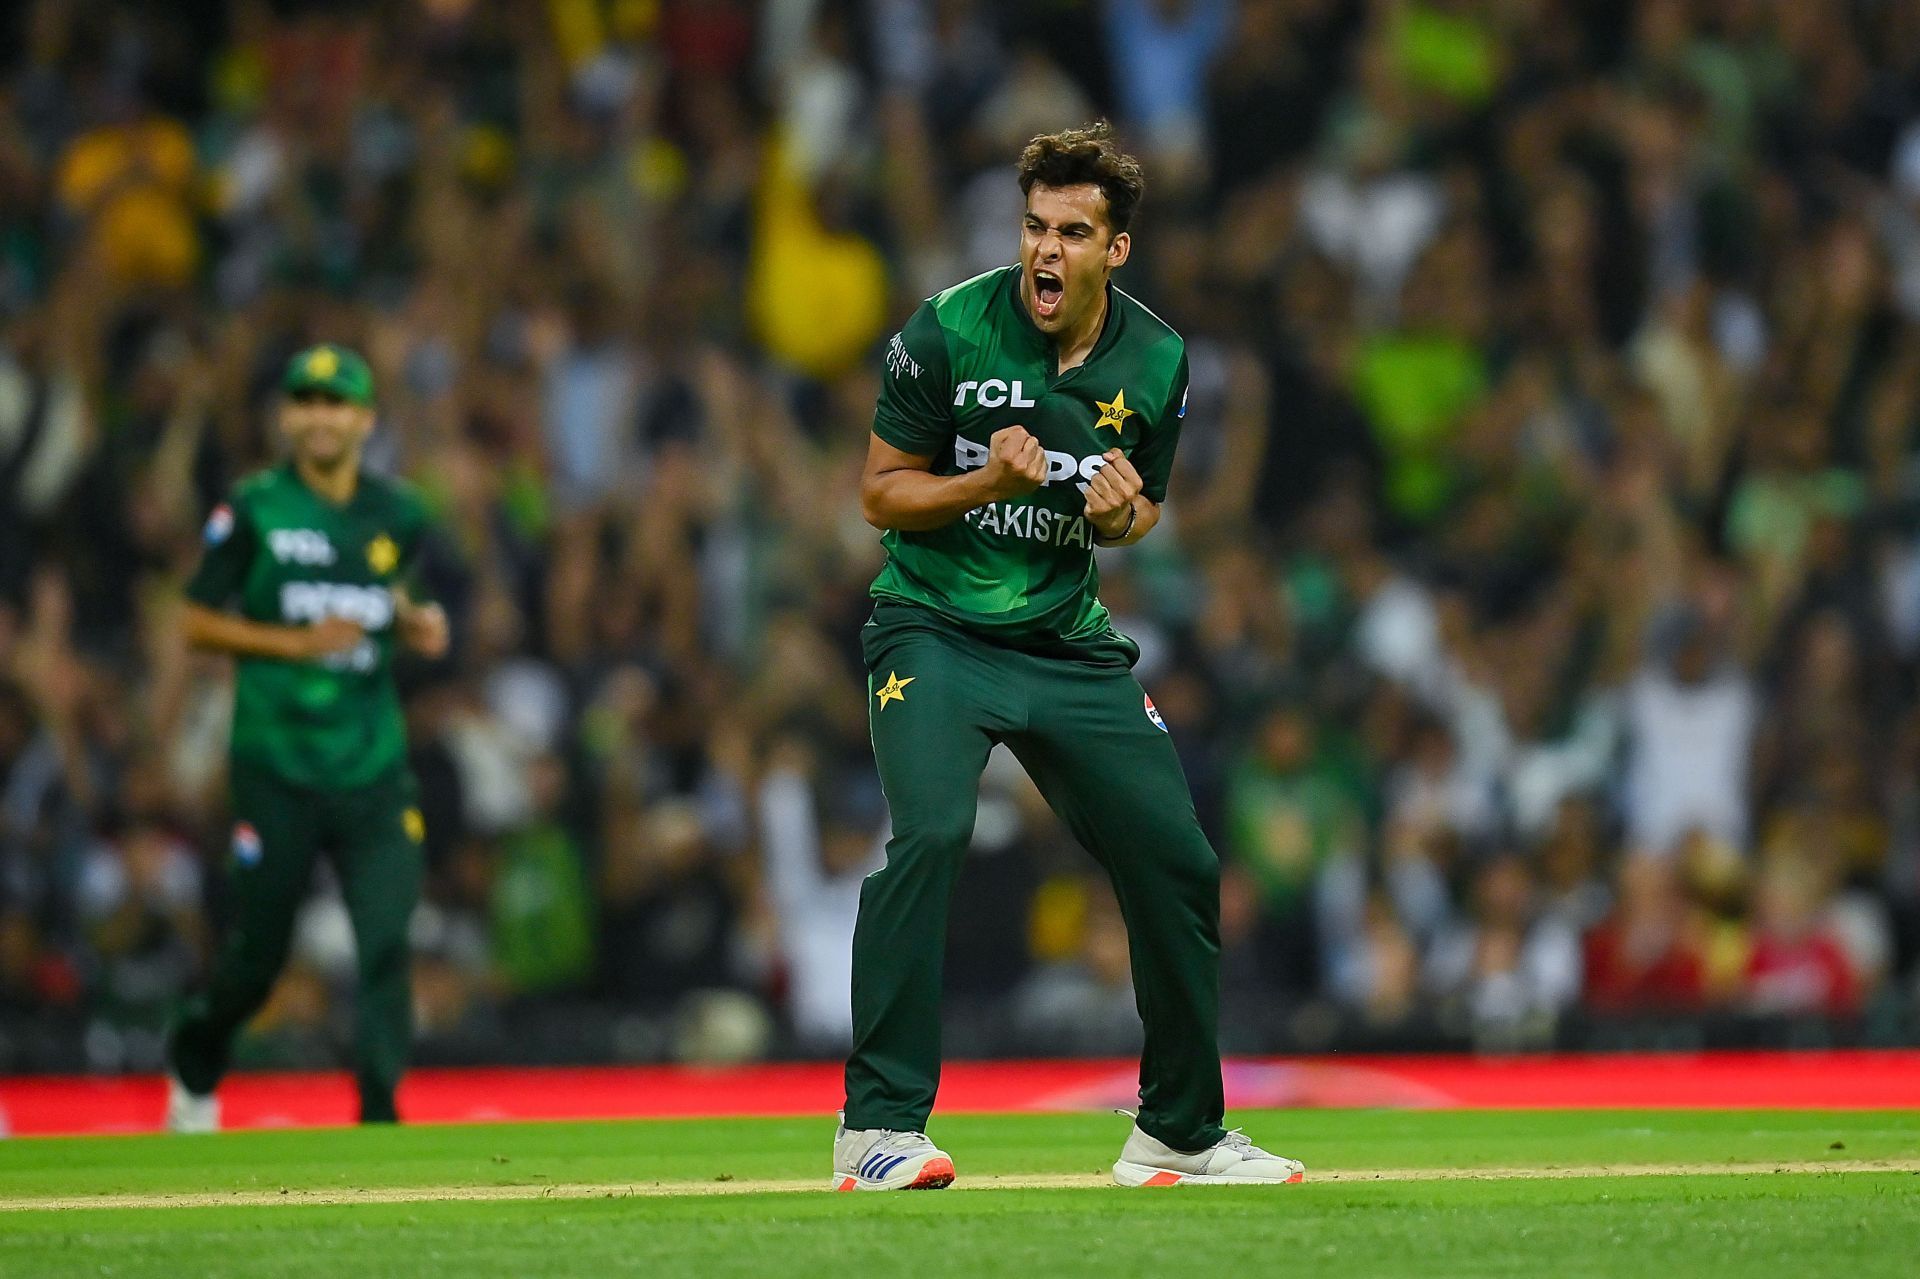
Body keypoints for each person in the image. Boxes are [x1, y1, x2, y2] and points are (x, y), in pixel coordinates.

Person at [835, 123, 1304, 1190]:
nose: (1046, 251)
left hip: (1064, 643)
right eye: (1035, 226)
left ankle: (1177, 1129)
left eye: (1074, 231)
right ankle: (877, 1128)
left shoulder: (1161, 360)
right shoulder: (949, 327)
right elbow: (878, 491)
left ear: (1117, 248)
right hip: (934, 625)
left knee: (1179, 861)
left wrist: (1123, 513)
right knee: (935, 831)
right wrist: (982, 487)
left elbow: (1136, 512)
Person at [164, 345, 449, 1130]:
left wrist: (413, 619)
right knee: (259, 955)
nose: (321, 414)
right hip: (277, 765)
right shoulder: (255, 508)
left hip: (372, 767)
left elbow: (382, 592)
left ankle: (380, 1120)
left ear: (366, 419)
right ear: (286, 417)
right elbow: (191, 617)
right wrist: (291, 643)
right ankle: (195, 1058)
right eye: (306, 399)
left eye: (336, 401)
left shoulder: (400, 513)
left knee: (389, 941)